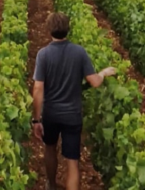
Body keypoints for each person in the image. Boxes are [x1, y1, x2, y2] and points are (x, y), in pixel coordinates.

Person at [32, 12, 117, 190]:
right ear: (68, 30)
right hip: (72, 115)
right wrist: (103, 73)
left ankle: (51, 184)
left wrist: (36, 119)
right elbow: (94, 82)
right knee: (72, 161)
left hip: (51, 114)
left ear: (49, 30)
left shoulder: (43, 55)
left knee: (49, 148)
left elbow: (38, 88)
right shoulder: (79, 52)